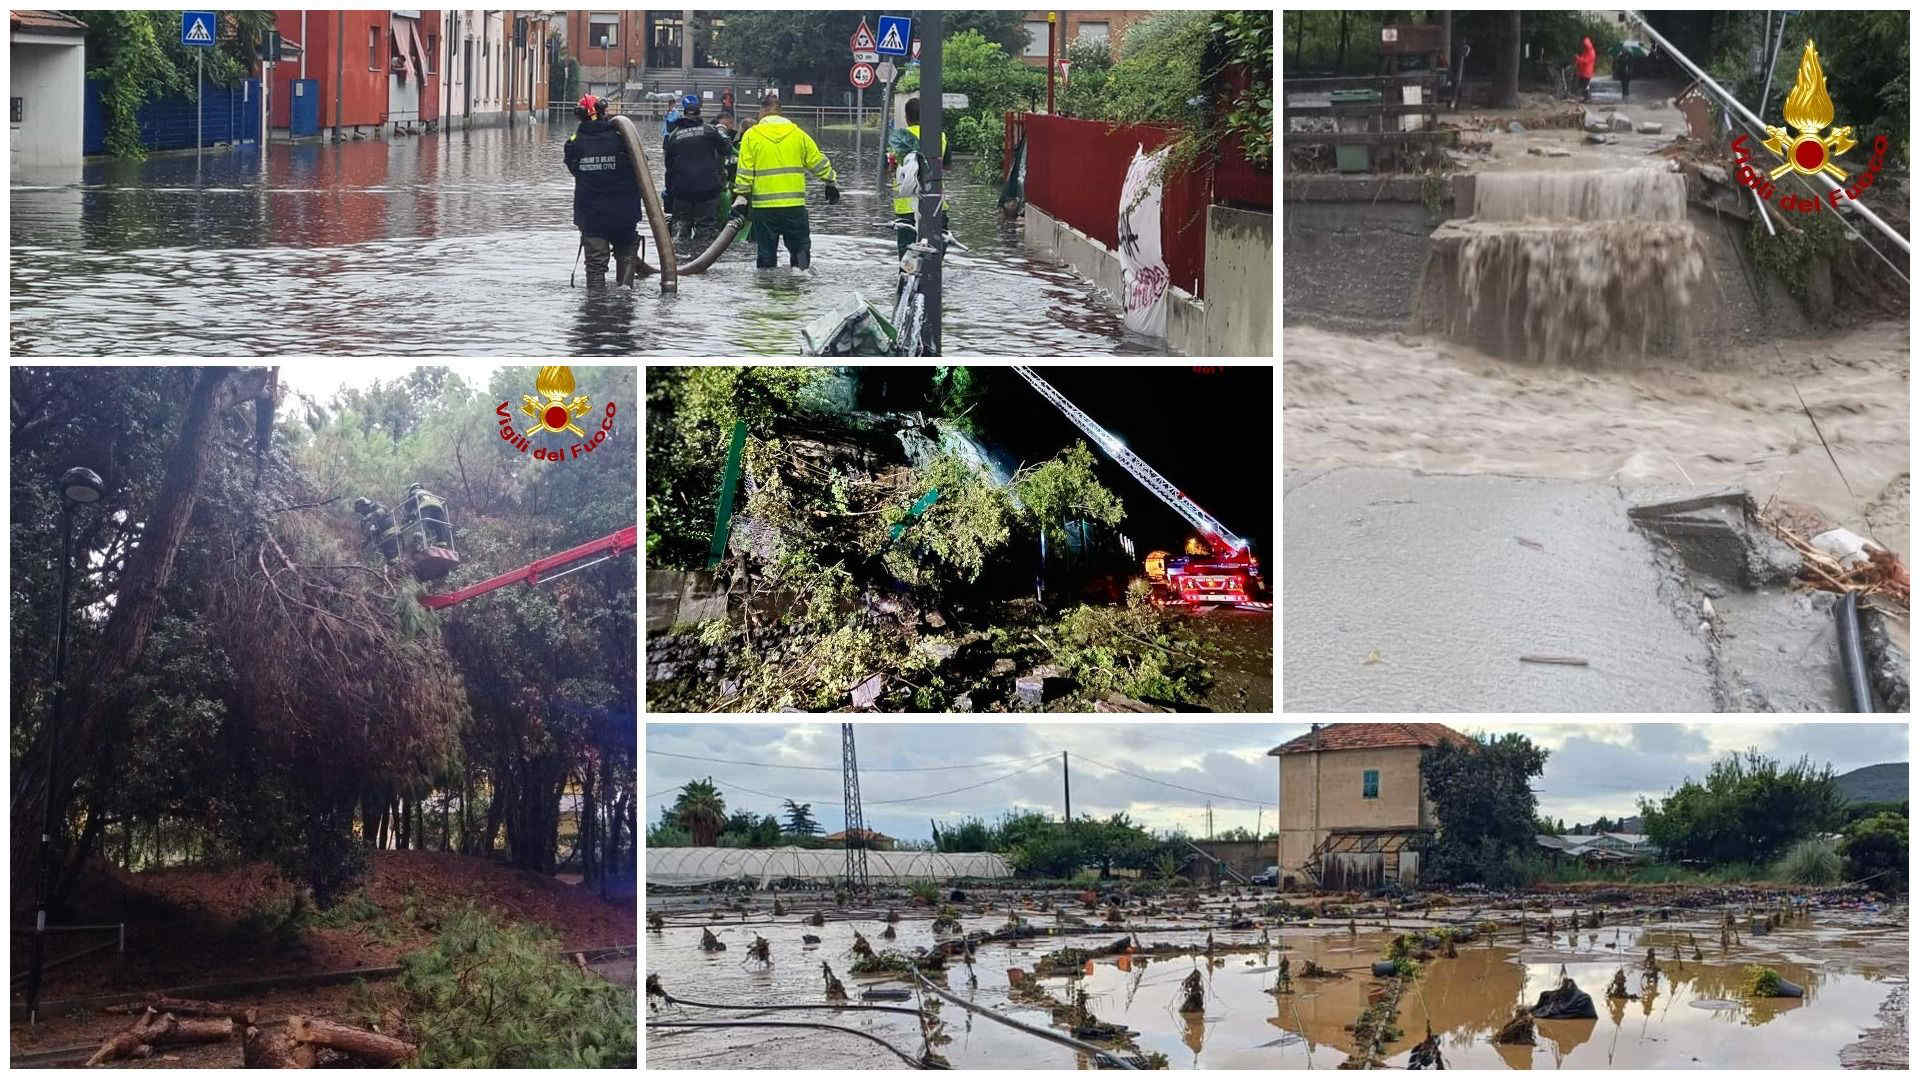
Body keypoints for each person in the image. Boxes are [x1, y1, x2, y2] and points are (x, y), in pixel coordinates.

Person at [731, 92, 839, 270]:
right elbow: (817, 161)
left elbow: (744, 171)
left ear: (762, 111)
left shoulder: (751, 135)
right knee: (800, 251)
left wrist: (741, 197)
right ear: (780, 112)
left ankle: (766, 288)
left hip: (764, 209)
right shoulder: (798, 134)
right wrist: (830, 182)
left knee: (766, 255)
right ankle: (801, 282)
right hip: (794, 207)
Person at [563, 94, 643, 287]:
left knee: (595, 265)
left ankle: (596, 306)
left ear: (579, 117)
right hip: (624, 212)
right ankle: (625, 301)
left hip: (592, 215)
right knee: (626, 256)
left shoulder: (573, 143)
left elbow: (574, 169)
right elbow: (642, 166)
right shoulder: (623, 139)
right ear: (603, 111)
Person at [886, 96, 954, 258]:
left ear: (907, 117)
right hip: (935, 205)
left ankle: (906, 278)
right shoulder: (940, 137)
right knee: (936, 250)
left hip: (906, 207)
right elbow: (947, 166)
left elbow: (890, 168)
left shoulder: (899, 137)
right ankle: (929, 277)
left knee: (907, 255)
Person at [663, 93, 732, 247]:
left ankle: (679, 267)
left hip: (681, 193)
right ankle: (702, 266)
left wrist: (669, 192)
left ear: (684, 111)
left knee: (680, 235)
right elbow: (727, 149)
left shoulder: (673, 136)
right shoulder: (710, 131)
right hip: (707, 191)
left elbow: (669, 168)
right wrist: (722, 132)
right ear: (699, 110)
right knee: (706, 233)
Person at [1574, 37, 1596, 103]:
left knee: (1585, 85)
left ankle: (1588, 98)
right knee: (1583, 85)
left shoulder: (1591, 52)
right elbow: (1583, 58)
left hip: (1587, 72)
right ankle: (1585, 97)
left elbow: (1586, 61)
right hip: (1583, 71)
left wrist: (1578, 59)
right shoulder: (1586, 51)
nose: (1584, 46)